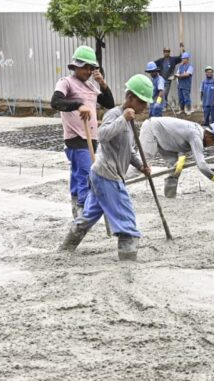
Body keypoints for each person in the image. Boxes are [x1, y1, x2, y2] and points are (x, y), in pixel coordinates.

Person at [59, 74, 154, 261]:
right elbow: (102, 135)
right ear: (131, 98)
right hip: (107, 175)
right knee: (126, 218)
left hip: (101, 175)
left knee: (88, 217)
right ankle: (128, 263)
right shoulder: (115, 114)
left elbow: (129, 150)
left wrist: (141, 166)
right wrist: (123, 120)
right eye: (142, 102)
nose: (145, 107)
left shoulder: (130, 119)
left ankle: (65, 248)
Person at [50, 45, 115, 219]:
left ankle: (76, 203)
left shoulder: (91, 86)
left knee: (79, 171)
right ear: (75, 66)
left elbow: (109, 103)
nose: (88, 71)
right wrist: (78, 105)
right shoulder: (66, 82)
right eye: (84, 67)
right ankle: (83, 208)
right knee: (86, 172)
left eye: (90, 68)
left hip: (91, 136)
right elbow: (56, 102)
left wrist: (102, 83)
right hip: (76, 135)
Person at [139, 117, 214, 198]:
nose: (211, 145)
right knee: (141, 165)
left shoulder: (196, 132)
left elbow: (179, 138)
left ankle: (170, 198)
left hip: (164, 138)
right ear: (210, 136)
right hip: (151, 130)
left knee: (175, 168)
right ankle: (124, 182)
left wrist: (181, 155)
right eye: (213, 143)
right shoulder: (196, 135)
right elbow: (201, 165)